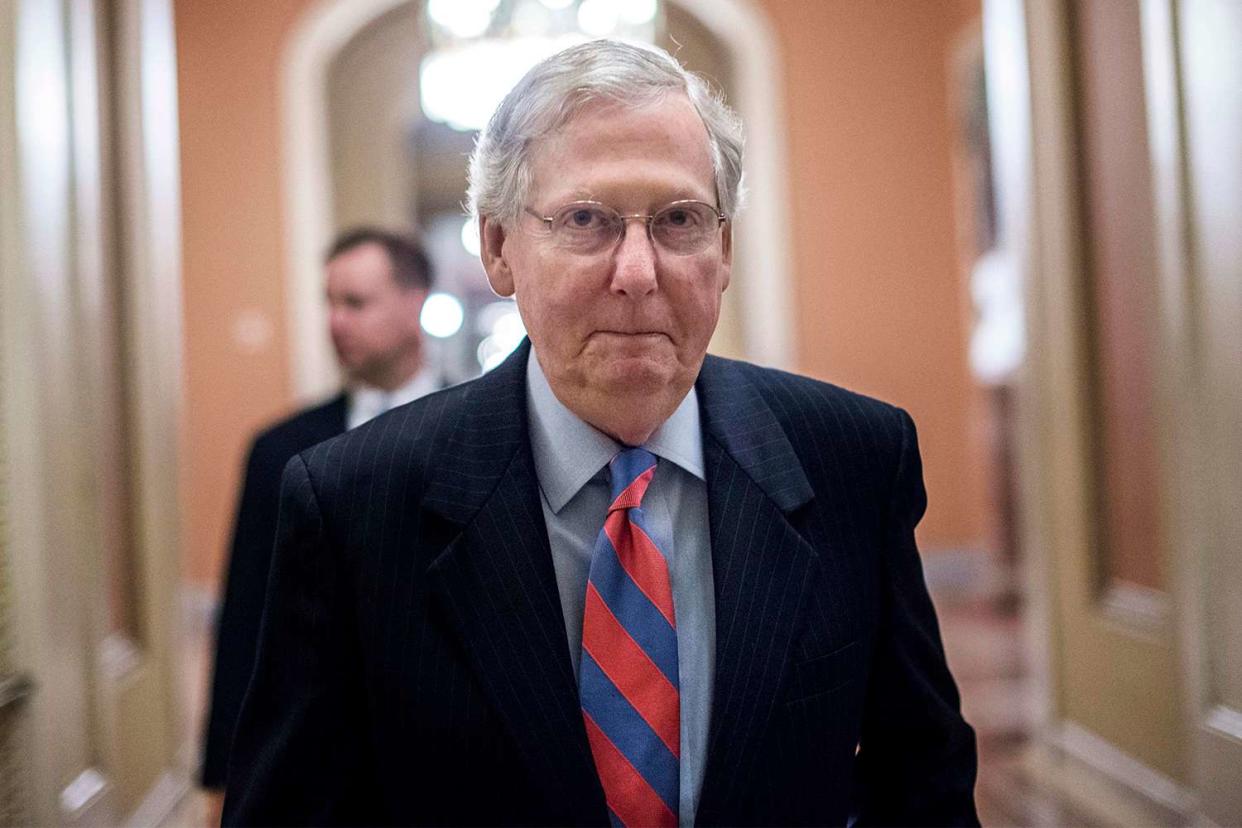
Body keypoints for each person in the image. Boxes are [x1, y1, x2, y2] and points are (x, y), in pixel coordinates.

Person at [224, 40, 977, 827]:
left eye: (681, 219)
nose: (639, 271)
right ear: (499, 248)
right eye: (587, 220)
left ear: (722, 250)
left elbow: (923, 783)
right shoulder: (354, 502)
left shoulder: (853, 458)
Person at [200, 228, 437, 814]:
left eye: (355, 303)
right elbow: (246, 614)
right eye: (329, 303)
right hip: (325, 765)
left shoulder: (486, 436)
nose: (335, 323)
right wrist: (222, 771)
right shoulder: (281, 450)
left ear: (415, 304)